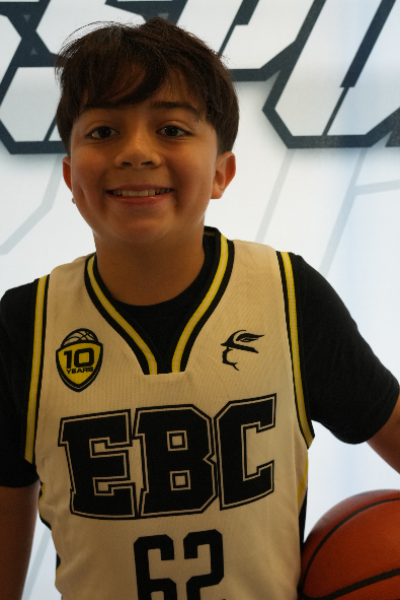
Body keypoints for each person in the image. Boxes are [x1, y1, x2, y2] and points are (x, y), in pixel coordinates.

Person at [0, 16, 399, 600]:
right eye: (104, 130)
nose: (136, 152)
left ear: (220, 172)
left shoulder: (290, 296)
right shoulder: (25, 324)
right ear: (69, 175)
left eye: (171, 129)